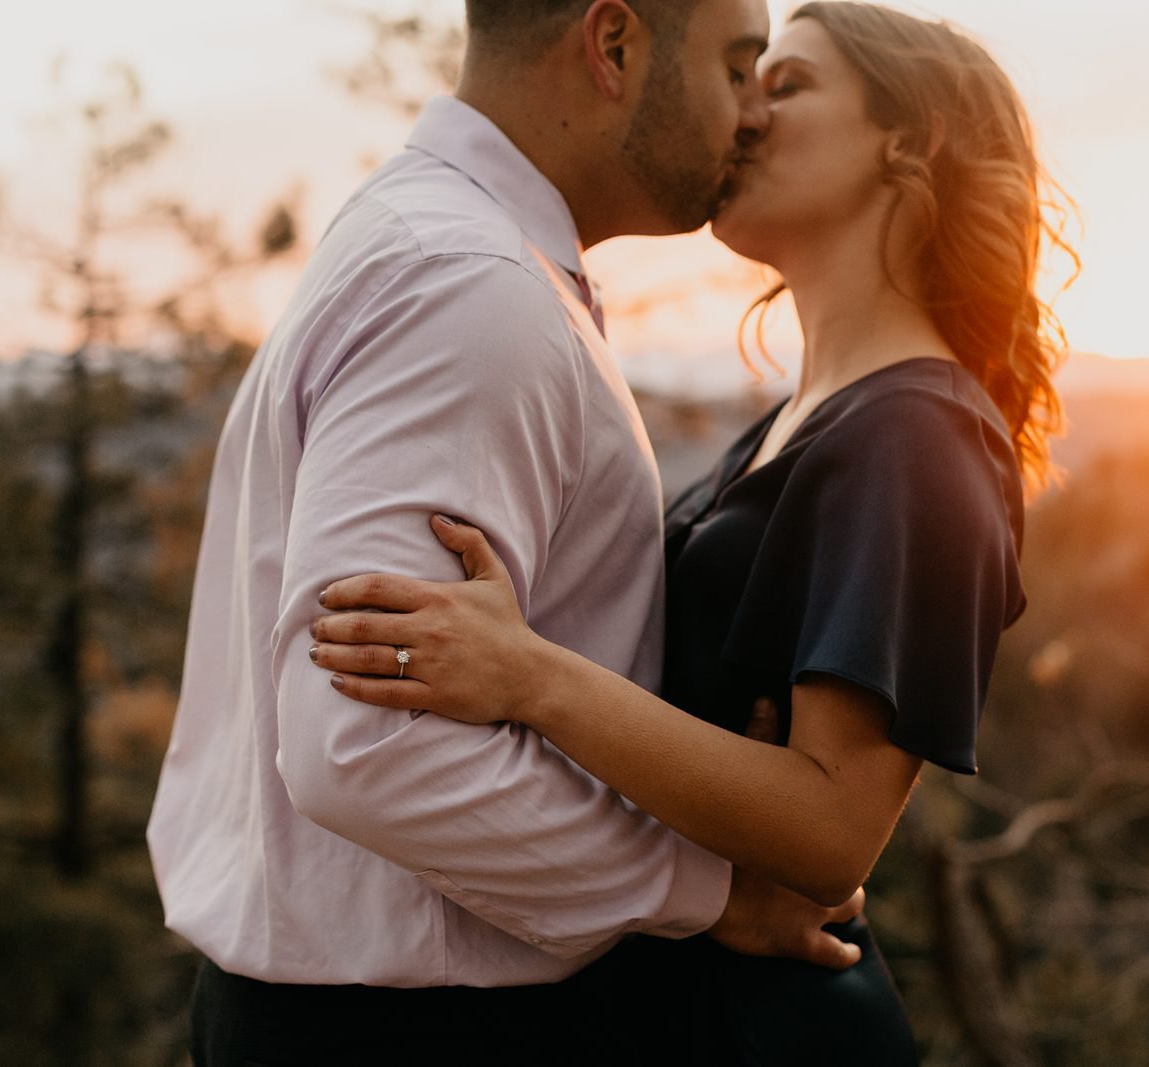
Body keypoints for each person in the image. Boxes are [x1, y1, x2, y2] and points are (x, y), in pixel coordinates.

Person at [308, 3, 1075, 1064]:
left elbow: (831, 830)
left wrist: (530, 677)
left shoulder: (917, 435)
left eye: (789, 83)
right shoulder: (803, 417)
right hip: (688, 1003)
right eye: (749, 76)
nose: (747, 113)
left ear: (911, 141)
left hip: (775, 1026)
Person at [145, 2, 879, 1064]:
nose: (751, 114)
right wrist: (700, 889)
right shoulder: (471, 287)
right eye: (734, 66)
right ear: (613, 46)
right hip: (422, 1029)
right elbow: (368, 746)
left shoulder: (439, 243)